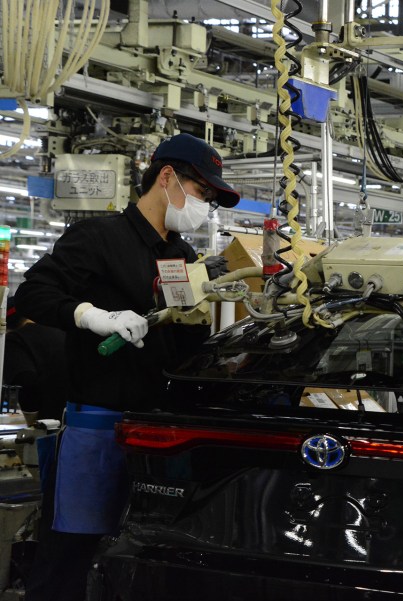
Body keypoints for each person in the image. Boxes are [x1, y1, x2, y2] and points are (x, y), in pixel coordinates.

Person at [16, 133, 239, 601]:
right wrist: (90, 316)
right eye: (203, 193)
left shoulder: (184, 256)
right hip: (98, 428)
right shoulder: (98, 238)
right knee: (70, 556)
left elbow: (186, 341)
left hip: (157, 435)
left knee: (136, 557)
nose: (206, 207)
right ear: (167, 177)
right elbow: (34, 293)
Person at [2, 296, 68, 424]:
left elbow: (24, 379)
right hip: (76, 416)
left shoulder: (16, 339)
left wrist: (32, 419)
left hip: (49, 422)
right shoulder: (62, 332)